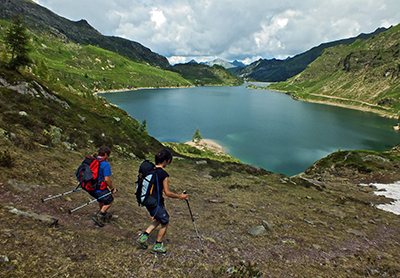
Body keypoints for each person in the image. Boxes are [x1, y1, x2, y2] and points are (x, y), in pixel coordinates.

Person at [136, 149, 188, 254]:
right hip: (155, 202)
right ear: (165, 161)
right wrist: (180, 196)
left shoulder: (151, 170)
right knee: (165, 221)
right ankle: (157, 245)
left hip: (147, 200)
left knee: (159, 218)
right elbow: (168, 193)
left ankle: (143, 237)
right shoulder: (163, 174)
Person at [91, 145, 117, 227]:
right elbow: (107, 179)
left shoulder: (92, 160)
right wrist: (112, 188)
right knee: (110, 200)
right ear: (105, 154)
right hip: (99, 188)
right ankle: (100, 215)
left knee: (101, 199)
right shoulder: (105, 164)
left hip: (90, 186)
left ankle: (103, 212)